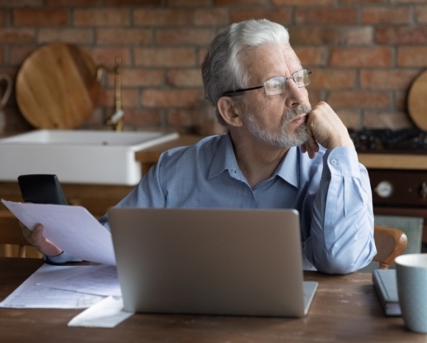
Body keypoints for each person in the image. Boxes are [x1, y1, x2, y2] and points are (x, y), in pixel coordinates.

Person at [22, 19, 376, 274]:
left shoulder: (330, 170)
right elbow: (108, 243)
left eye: (299, 78)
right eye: (275, 85)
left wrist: (343, 146)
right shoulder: (175, 172)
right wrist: (61, 246)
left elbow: (340, 261)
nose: (300, 97)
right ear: (231, 111)